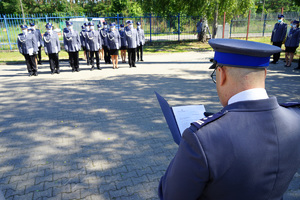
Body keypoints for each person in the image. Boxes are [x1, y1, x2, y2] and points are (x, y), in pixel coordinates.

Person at [158, 38, 300, 200]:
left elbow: (170, 195)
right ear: (265, 74)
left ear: (221, 74)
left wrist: (186, 152)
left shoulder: (201, 139)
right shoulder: (296, 117)